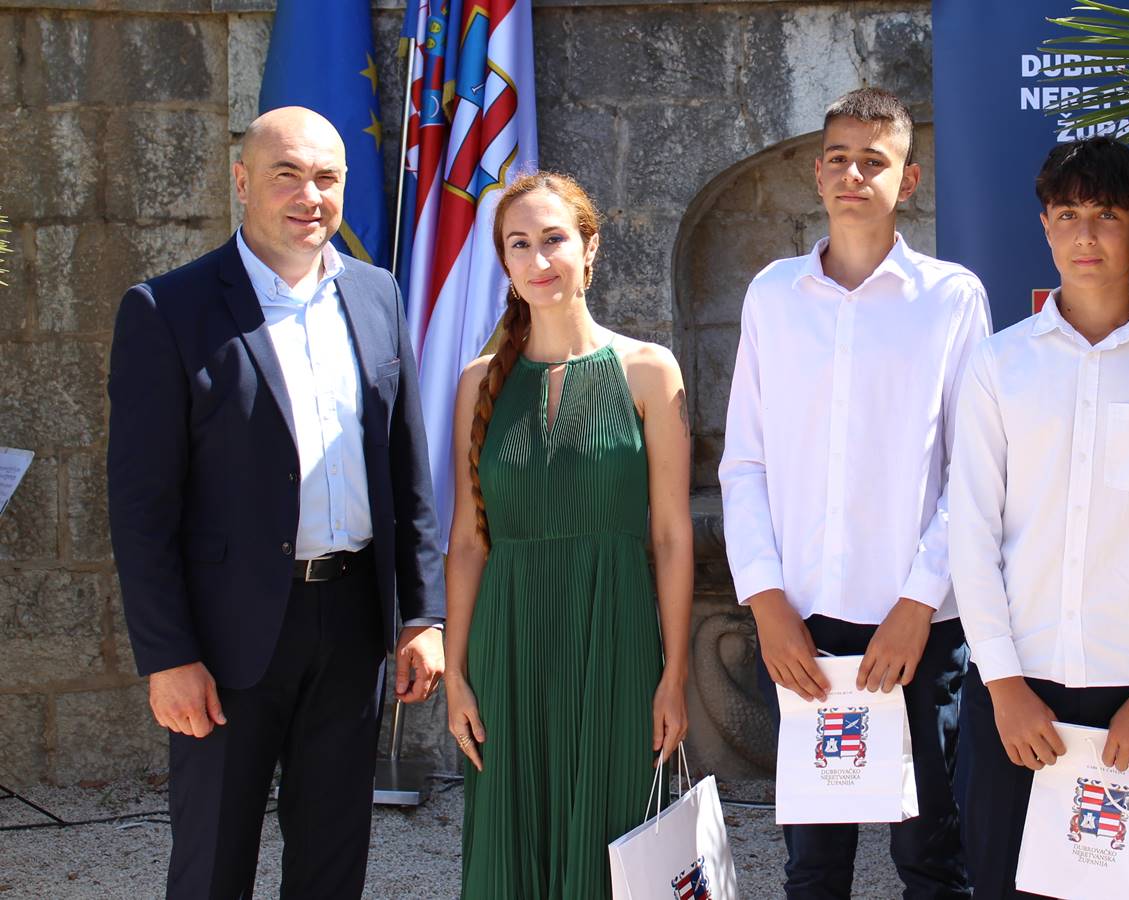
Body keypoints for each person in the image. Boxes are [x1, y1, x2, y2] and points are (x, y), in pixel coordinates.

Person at [106, 107, 446, 898]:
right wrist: (167, 656)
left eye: (326, 177)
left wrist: (423, 616)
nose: (309, 196)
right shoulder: (167, 310)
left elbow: (407, 470)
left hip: (353, 624)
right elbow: (141, 508)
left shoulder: (376, 295)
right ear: (242, 181)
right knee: (213, 861)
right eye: (286, 174)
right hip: (226, 638)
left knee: (333, 858)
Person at [720, 86, 991, 899]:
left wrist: (918, 603)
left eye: (874, 161)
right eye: (838, 158)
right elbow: (745, 463)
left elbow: (975, 470)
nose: (853, 175)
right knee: (814, 866)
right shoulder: (773, 296)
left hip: (918, 626)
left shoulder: (951, 298)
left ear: (908, 180)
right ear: (817, 172)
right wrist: (766, 601)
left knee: (930, 859)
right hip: (802, 622)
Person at [947, 137, 1129, 899]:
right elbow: (971, 533)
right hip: (1017, 693)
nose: (1086, 234)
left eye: (1107, 214)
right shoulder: (999, 364)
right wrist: (1003, 685)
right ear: (1045, 225)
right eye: (1068, 214)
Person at [442, 170, 693, 897]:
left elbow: (672, 536)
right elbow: (468, 541)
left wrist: (674, 675)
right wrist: (456, 675)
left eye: (553, 238)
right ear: (505, 261)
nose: (538, 259)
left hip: (615, 638)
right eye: (519, 244)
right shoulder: (477, 382)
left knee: (615, 837)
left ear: (590, 249)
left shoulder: (649, 371)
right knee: (508, 841)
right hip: (506, 644)